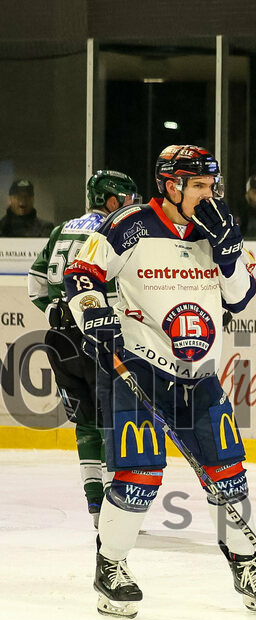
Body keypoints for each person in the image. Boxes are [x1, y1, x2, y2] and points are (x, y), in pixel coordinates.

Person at [62, 144, 256, 620]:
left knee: (229, 472)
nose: (211, 195)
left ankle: (246, 566)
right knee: (139, 475)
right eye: (200, 186)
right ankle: (111, 566)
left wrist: (228, 256)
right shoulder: (128, 225)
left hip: (201, 377)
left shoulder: (220, 232)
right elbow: (82, 274)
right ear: (172, 185)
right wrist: (94, 313)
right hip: (139, 369)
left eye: (213, 186)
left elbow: (241, 297)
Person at [27, 170, 140, 528]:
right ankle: (112, 510)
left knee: (85, 423)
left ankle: (95, 505)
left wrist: (55, 310)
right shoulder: (113, 231)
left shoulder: (62, 229)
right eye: (126, 199)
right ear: (111, 201)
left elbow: (36, 282)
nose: (131, 206)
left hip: (60, 340)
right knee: (113, 421)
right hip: (99, 338)